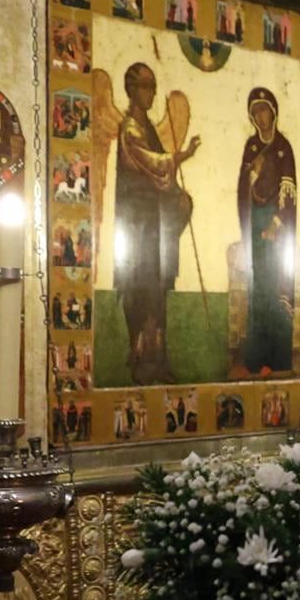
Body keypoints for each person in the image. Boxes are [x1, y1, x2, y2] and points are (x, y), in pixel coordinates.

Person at [114, 62, 199, 384]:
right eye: (146, 86)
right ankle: (142, 360)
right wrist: (181, 156)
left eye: (152, 85)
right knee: (143, 290)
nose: (151, 93)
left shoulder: (146, 126)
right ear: (132, 90)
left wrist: (179, 197)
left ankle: (158, 358)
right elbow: (152, 164)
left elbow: (163, 178)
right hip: (138, 227)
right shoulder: (131, 130)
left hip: (154, 225)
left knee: (158, 291)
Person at [237, 88, 297, 374]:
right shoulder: (251, 146)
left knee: (276, 290)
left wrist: (276, 225)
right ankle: (257, 357)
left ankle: (278, 357)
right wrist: (251, 175)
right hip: (255, 227)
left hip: (278, 229)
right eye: (256, 112)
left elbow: (289, 192)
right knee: (258, 290)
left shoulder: (283, 146)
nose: (261, 117)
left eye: (265, 110)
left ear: (273, 113)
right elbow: (243, 189)